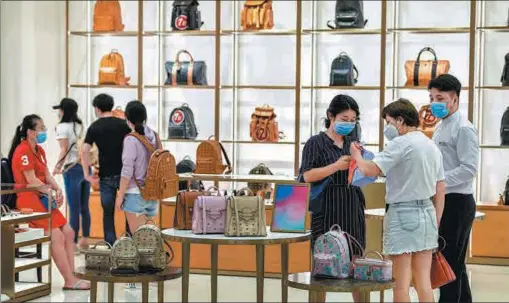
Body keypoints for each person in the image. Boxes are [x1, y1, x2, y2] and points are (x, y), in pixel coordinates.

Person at [350, 98, 446, 303]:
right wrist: (436, 219)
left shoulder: (400, 143)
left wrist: (356, 155)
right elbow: (440, 186)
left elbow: (369, 170)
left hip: (403, 215)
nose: (387, 127)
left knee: (400, 284)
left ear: (400, 121)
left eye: (388, 122)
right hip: (428, 214)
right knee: (423, 282)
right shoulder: (431, 145)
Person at [9, 114, 90, 290]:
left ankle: (73, 276)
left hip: (42, 196)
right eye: (41, 128)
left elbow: (46, 175)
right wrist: (49, 192)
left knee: (68, 231)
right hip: (28, 198)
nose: (44, 131)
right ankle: (69, 280)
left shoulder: (39, 151)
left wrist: (57, 189)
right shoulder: (23, 151)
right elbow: (31, 180)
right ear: (31, 132)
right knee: (57, 235)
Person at [299, 94, 366, 303]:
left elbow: (363, 171)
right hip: (326, 205)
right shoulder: (315, 143)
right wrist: (336, 166)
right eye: (344, 119)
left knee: (357, 259)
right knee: (323, 260)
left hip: (352, 203)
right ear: (331, 116)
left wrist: (362, 161)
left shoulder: (353, 143)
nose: (349, 123)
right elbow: (306, 176)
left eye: (352, 120)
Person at [428, 74, 479, 303]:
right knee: (454, 263)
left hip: (458, 203)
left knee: (448, 264)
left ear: (455, 99)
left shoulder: (464, 128)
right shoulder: (440, 127)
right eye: (431, 97)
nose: (434, 103)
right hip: (443, 200)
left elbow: (469, 169)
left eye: (440, 98)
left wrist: (440, 181)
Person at [81, 94, 131, 246]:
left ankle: (111, 247)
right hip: (124, 174)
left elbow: (84, 150)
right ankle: (130, 245)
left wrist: (87, 174)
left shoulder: (94, 127)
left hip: (106, 176)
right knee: (129, 212)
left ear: (97, 108)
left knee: (108, 214)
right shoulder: (123, 124)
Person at [115, 100, 161, 233]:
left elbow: (127, 170)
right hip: (152, 194)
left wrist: (120, 195)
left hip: (135, 194)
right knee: (151, 240)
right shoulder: (154, 136)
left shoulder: (131, 139)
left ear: (127, 119)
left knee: (140, 241)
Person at [52, 98, 91, 251]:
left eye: (60, 109)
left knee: (73, 208)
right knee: (84, 207)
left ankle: (73, 243)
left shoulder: (62, 127)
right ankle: (85, 240)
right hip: (85, 167)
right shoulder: (81, 126)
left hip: (72, 169)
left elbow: (64, 148)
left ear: (63, 111)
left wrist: (57, 166)